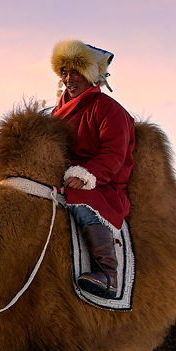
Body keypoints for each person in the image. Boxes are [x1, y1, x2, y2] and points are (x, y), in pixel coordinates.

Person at [51, 39, 135, 299]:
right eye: (64, 72)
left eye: (75, 71)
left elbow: (114, 156)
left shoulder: (110, 111)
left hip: (101, 186)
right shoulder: (57, 112)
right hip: (64, 178)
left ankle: (107, 273)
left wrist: (84, 176)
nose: (68, 78)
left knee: (78, 198)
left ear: (89, 74)